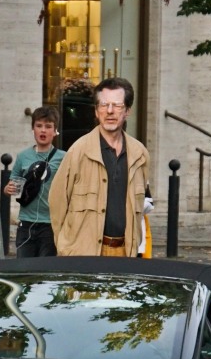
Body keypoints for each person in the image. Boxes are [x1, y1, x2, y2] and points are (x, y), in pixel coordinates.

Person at [48, 77, 150, 257]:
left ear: (127, 111)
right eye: (104, 105)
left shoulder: (140, 154)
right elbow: (57, 202)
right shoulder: (79, 151)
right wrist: (65, 246)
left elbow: (140, 208)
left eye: (117, 106)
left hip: (125, 253)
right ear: (96, 111)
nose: (109, 111)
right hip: (83, 254)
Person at [3, 106, 64, 257]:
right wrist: (7, 189)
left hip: (50, 224)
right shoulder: (23, 156)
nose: (43, 130)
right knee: (24, 271)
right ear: (33, 129)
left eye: (48, 126)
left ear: (55, 131)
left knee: (45, 272)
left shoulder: (63, 157)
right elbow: (11, 186)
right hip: (26, 224)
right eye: (39, 126)